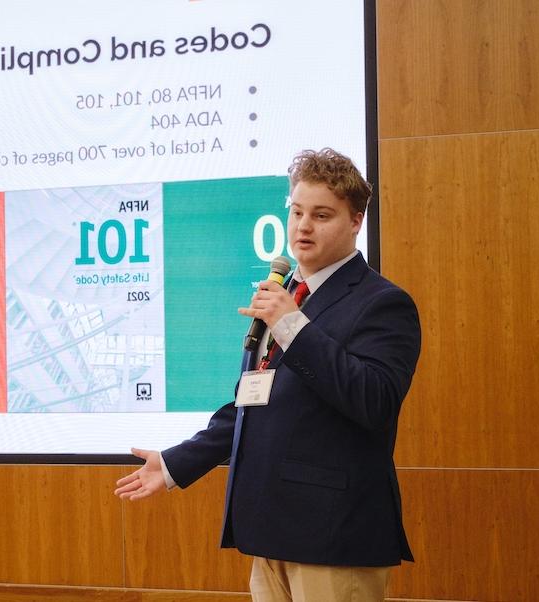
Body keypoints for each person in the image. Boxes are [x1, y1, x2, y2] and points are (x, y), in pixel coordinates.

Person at [115, 148, 421, 602]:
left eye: (321, 215)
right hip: (270, 531)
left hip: (333, 536)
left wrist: (292, 326)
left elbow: (374, 401)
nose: (302, 226)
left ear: (356, 221)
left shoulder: (381, 303)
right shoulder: (283, 295)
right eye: (296, 211)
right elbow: (253, 404)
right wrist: (178, 462)